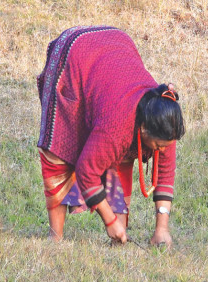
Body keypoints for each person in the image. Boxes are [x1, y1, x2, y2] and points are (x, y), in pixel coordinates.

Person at [36, 25, 185, 246]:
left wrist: (162, 229)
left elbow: (164, 172)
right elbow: (87, 170)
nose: (162, 150)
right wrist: (109, 220)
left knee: (120, 158)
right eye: (158, 146)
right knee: (60, 148)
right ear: (143, 129)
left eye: (165, 146)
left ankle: (119, 241)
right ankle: (54, 239)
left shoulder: (164, 115)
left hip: (115, 49)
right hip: (75, 56)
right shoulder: (117, 127)